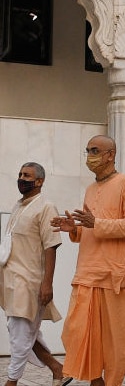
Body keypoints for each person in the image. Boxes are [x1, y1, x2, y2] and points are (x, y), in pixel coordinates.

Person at [51, 135, 125, 386]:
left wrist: (97, 223)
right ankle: (95, 380)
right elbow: (89, 227)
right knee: (77, 334)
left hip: (115, 275)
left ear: (110, 155)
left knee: (117, 343)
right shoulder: (90, 189)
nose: (90, 156)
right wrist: (74, 229)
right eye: (88, 150)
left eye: (95, 150)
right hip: (87, 273)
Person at [1, 163, 69, 386]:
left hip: (29, 282)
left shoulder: (46, 207)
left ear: (39, 181)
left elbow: (51, 246)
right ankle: (57, 368)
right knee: (24, 332)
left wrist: (47, 284)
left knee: (20, 336)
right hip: (10, 280)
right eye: (20, 174)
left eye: (27, 175)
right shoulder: (19, 206)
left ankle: (11, 382)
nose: (21, 178)